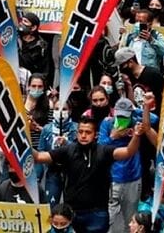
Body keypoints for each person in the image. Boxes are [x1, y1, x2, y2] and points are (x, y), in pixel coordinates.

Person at [33, 116, 146, 233]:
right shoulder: (67, 150)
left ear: (95, 135)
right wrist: (23, 137)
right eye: (80, 132)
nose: (83, 135)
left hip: (97, 213)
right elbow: (38, 157)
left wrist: (136, 135)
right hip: (72, 212)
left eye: (88, 132)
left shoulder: (104, 151)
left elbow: (128, 151)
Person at [99, 98, 142, 233]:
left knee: (130, 221)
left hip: (133, 179)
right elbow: (99, 148)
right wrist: (113, 136)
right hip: (112, 179)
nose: (121, 119)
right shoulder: (107, 124)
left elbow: (153, 118)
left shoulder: (136, 124)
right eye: (119, 115)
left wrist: (137, 111)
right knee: (107, 220)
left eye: (125, 116)